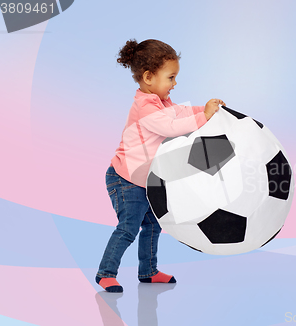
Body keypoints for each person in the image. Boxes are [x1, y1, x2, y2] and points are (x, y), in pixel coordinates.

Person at [96, 38, 226, 292]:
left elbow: (179, 113)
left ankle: (148, 271)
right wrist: (205, 117)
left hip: (145, 180)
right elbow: (172, 127)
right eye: (171, 77)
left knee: (154, 225)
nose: (174, 84)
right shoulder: (145, 107)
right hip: (125, 180)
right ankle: (105, 273)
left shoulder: (161, 102)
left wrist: (205, 109)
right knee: (128, 228)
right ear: (148, 77)